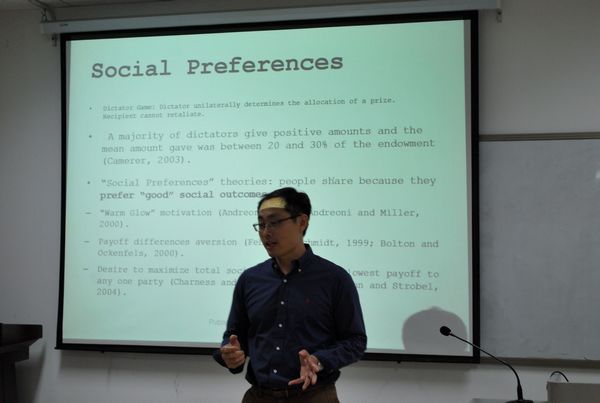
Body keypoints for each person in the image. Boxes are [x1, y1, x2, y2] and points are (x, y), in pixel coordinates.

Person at [214, 187, 367, 402]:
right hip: (259, 396)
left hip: (314, 396)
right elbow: (234, 336)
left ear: (301, 222)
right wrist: (230, 354)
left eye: (275, 222)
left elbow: (355, 341)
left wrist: (319, 360)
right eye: (261, 224)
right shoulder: (250, 279)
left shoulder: (334, 278)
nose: (266, 232)